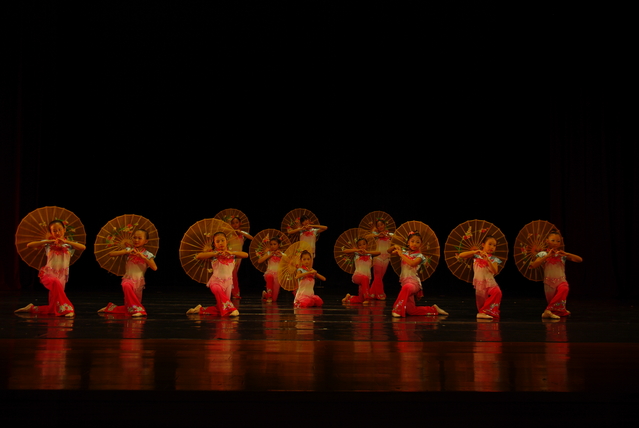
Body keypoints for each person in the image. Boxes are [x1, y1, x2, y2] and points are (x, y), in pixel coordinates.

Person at [15, 220, 86, 317]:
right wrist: (48, 241)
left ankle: (32, 308)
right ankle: (68, 309)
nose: (57, 233)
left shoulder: (69, 245)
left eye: (59, 230)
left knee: (53, 307)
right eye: (54, 231)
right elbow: (29, 245)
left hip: (62, 276)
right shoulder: (48, 244)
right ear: (51, 232)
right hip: (48, 274)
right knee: (55, 282)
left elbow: (83, 247)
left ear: (64, 230)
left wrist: (66, 241)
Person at [98, 229, 157, 317]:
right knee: (126, 285)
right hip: (128, 278)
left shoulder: (147, 254)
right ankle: (140, 311)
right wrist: (126, 251)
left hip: (139, 282)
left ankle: (110, 308)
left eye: (139, 238)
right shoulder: (129, 250)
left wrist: (143, 257)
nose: (136, 240)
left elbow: (154, 268)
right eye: (134, 237)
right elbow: (111, 254)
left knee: (130, 307)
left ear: (146, 241)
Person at [186, 231, 247, 316]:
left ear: (226, 241)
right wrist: (214, 253)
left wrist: (232, 252)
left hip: (228, 283)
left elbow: (245, 255)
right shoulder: (213, 255)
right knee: (219, 292)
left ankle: (200, 309)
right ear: (214, 244)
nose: (220, 243)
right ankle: (233, 309)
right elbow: (198, 256)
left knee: (221, 307)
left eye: (222, 240)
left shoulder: (232, 255)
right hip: (216, 282)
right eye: (217, 241)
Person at [389, 231, 448, 318]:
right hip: (404, 282)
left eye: (417, 242)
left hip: (413, 283)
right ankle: (433, 309)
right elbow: (389, 251)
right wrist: (395, 246)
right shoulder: (404, 252)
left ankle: (397, 309)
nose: (414, 244)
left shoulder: (420, 256)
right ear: (408, 242)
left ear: (421, 244)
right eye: (412, 241)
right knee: (411, 311)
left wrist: (401, 254)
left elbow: (412, 263)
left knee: (407, 287)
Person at [529, 231, 583, 318]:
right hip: (549, 283)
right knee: (554, 302)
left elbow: (579, 260)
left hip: (561, 281)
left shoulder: (562, 255)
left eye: (558, 241)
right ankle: (556, 311)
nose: (555, 243)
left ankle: (547, 310)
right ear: (547, 241)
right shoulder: (543, 254)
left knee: (564, 288)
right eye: (553, 240)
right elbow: (534, 265)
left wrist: (567, 254)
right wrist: (547, 256)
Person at [458, 235, 503, 319]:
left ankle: (486, 311)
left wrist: (488, 260)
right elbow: (461, 255)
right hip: (480, 282)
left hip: (490, 281)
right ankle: (482, 312)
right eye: (490, 244)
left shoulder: (494, 259)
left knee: (497, 292)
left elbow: (495, 271)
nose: (492, 247)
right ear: (483, 245)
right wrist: (474, 252)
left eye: (494, 245)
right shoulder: (476, 255)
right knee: (481, 300)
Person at [341, 237, 380, 304]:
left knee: (361, 299)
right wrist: (356, 250)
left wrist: (367, 252)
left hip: (367, 278)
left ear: (367, 245)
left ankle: (349, 298)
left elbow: (379, 252)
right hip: (357, 276)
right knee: (364, 278)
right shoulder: (356, 254)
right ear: (358, 246)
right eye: (360, 245)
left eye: (364, 244)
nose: (362, 246)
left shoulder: (370, 254)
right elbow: (344, 251)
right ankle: (367, 298)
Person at [366, 219, 393, 300]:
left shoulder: (389, 234)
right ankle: (380, 293)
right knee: (377, 276)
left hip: (386, 258)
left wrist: (389, 236)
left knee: (380, 277)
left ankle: (372, 293)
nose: (380, 226)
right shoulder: (375, 235)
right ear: (376, 227)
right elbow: (366, 237)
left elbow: (400, 238)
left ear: (384, 225)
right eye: (378, 225)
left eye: (381, 224)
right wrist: (377, 235)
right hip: (377, 257)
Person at [228, 216, 253, 299]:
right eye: (233, 223)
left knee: (233, 274)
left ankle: (234, 292)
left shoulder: (242, 233)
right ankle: (234, 293)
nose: (235, 224)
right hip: (229, 255)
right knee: (231, 274)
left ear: (240, 223)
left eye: (236, 222)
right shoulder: (229, 233)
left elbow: (251, 238)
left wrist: (241, 232)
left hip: (238, 256)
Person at [257, 237, 285, 303]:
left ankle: (265, 294)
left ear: (279, 245)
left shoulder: (282, 254)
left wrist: (282, 256)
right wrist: (268, 256)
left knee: (274, 299)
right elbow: (259, 261)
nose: (272, 246)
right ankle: (269, 296)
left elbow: (289, 262)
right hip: (270, 273)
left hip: (278, 275)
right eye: (271, 244)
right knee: (269, 276)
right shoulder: (268, 253)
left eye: (274, 244)